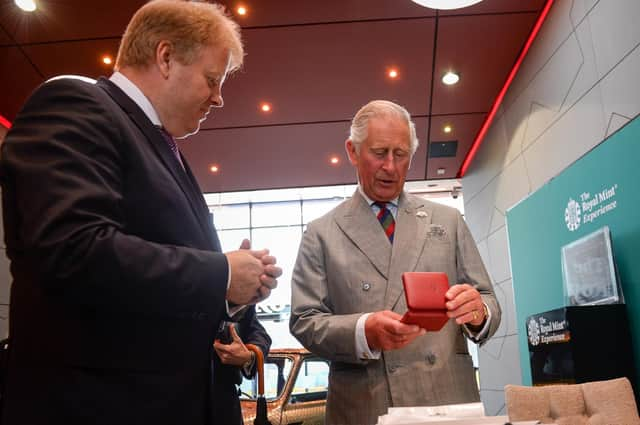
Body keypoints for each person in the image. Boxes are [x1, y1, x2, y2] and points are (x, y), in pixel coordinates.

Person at [0, 1, 281, 424]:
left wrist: (232, 295)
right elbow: (73, 249)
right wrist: (220, 274)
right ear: (166, 57)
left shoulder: (163, 146)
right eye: (212, 79)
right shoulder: (74, 102)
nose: (219, 99)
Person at [290, 100, 501, 425]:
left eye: (400, 154)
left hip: (446, 401)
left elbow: (488, 302)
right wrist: (363, 332)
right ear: (352, 151)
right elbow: (305, 320)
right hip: (367, 406)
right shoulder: (322, 233)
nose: (390, 166)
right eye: (379, 152)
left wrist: (478, 312)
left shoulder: (448, 219)